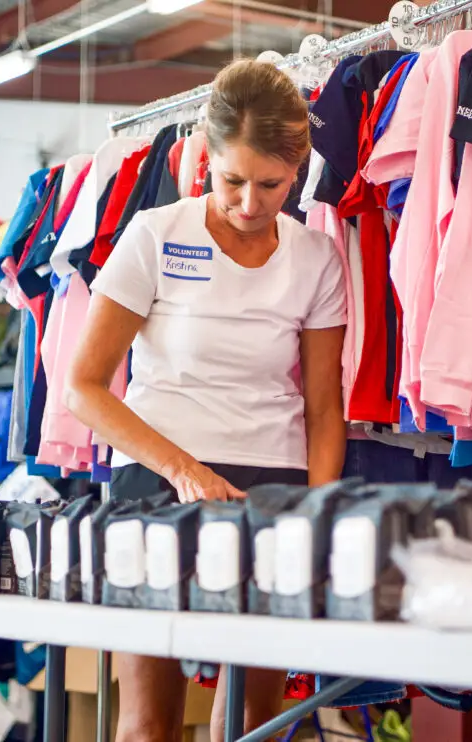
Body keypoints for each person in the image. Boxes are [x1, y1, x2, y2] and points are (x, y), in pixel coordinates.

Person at [64, 59, 348, 742]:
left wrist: (318, 511)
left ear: (299, 167)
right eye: (232, 182)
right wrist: (183, 470)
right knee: (148, 725)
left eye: (271, 185)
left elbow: (323, 408)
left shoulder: (318, 257)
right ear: (205, 157)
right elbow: (82, 387)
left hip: (272, 492)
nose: (250, 203)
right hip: (157, 487)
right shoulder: (154, 234)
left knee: (255, 723)